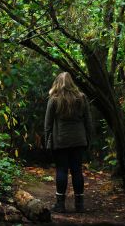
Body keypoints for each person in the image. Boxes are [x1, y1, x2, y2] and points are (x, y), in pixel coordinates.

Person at [44, 72, 92, 213]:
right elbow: (88, 122)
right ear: (72, 83)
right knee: (77, 170)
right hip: (79, 140)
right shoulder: (82, 98)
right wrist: (88, 140)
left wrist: (48, 141)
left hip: (61, 141)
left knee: (62, 170)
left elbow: (48, 124)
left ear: (57, 83)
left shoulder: (54, 99)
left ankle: (60, 205)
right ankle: (79, 205)